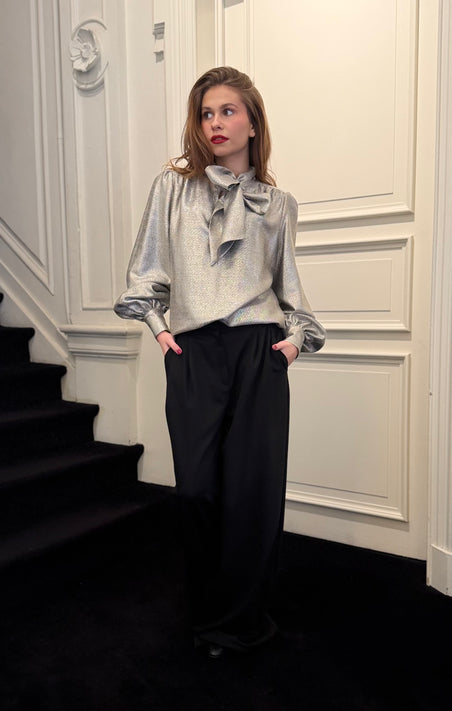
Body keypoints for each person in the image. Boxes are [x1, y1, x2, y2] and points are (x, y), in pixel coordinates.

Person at [114, 66, 325, 657]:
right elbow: (146, 271)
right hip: (194, 354)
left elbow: (289, 286)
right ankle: (208, 615)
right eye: (207, 113)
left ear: (253, 123)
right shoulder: (173, 188)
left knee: (253, 493)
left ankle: (242, 621)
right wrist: (160, 331)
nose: (215, 123)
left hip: (260, 352)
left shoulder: (278, 204)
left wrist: (293, 342)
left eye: (228, 111)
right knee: (198, 491)